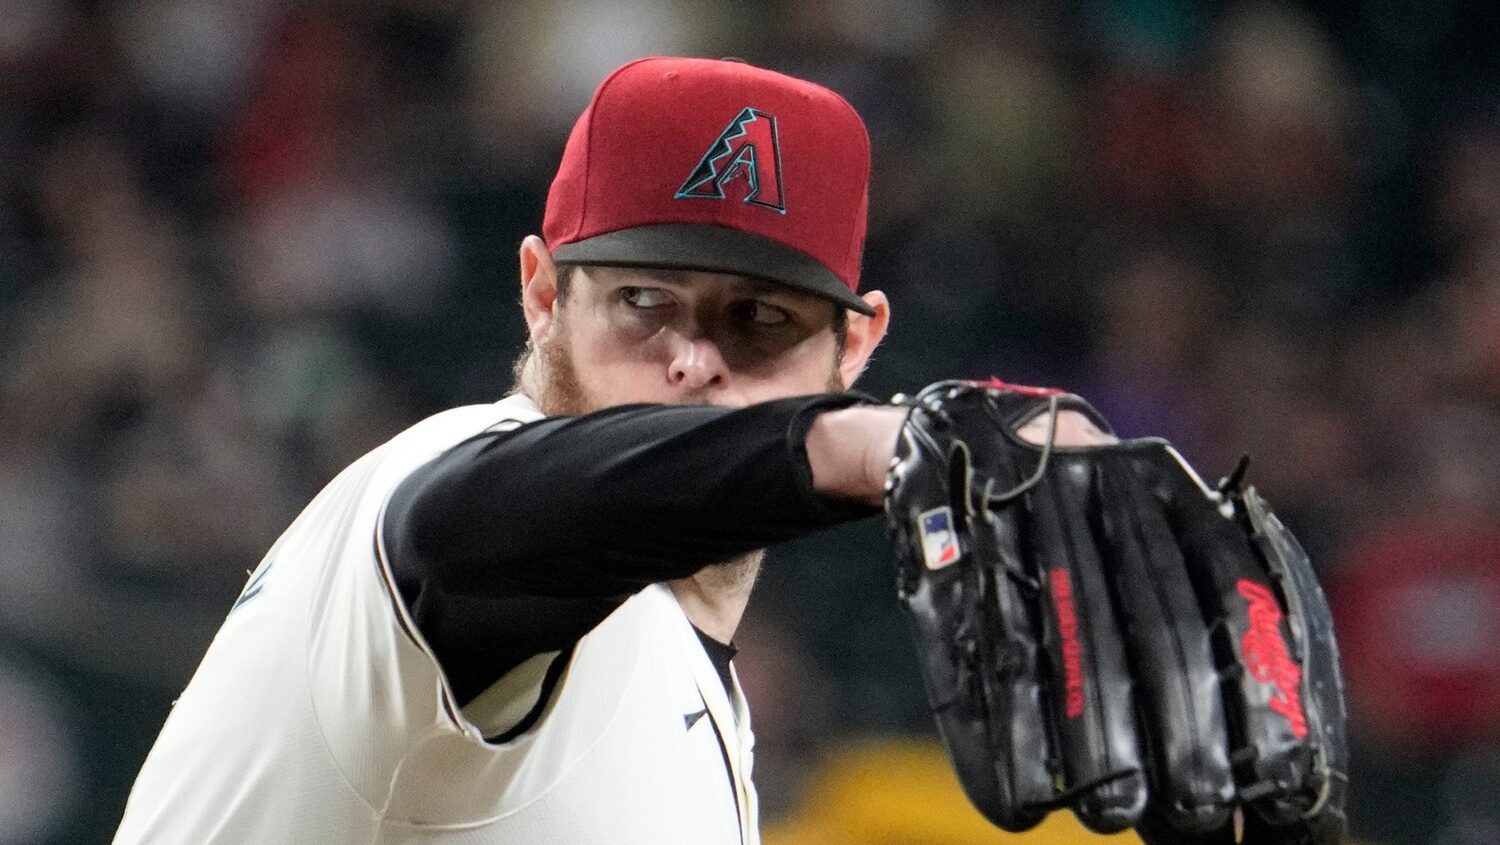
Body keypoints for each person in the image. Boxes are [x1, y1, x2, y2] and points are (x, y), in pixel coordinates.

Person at [112, 57, 1112, 844]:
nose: (692, 360)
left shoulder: (675, 664)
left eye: (761, 318)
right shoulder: (444, 494)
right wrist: (875, 443)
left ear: (853, 344)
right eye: (644, 302)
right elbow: (510, 512)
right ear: (542, 295)